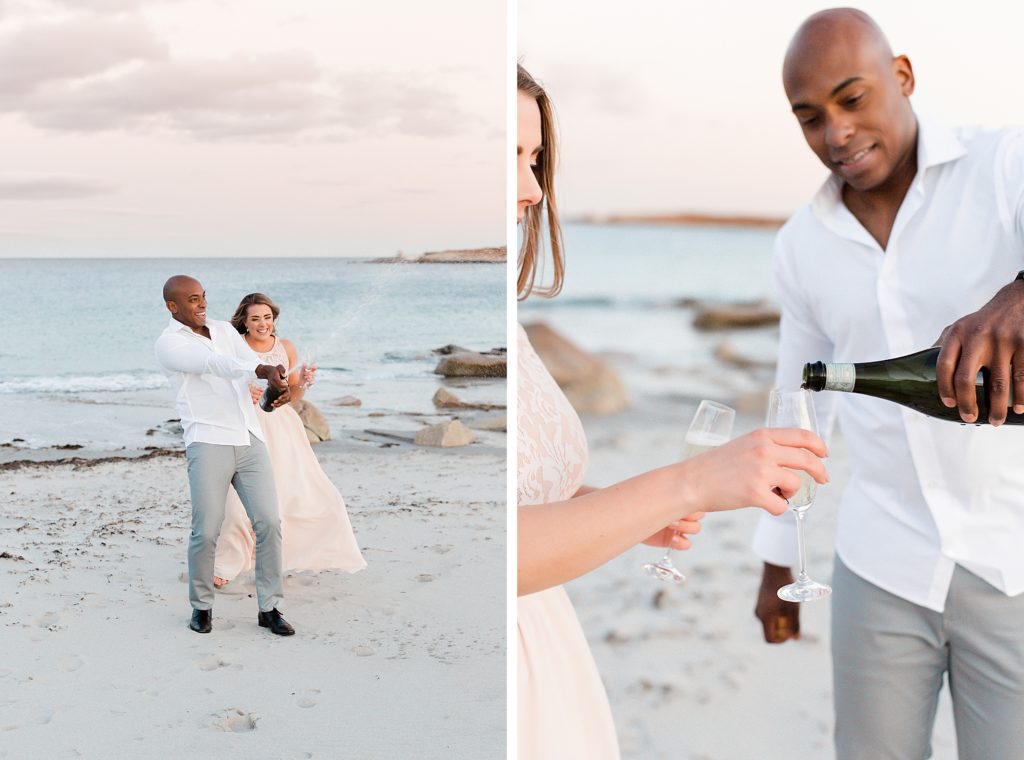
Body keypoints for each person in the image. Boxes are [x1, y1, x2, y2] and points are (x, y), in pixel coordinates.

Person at [516, 65, 830, 759]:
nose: (533, 189)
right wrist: (688, 484)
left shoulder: (510, 323)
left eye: (535, 159)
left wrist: (626, 510)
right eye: (510, 158)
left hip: (548, 644)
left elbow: (526, 501)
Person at [752, 9, 1024, 759]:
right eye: (809, 118)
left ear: (901, 76)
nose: (835, 133)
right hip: (882, 561)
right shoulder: (801, 247)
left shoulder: (1002, 165)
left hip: (1014, 556)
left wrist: (1017, 296)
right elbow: (800, 403)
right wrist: (777, 558)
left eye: (852, 99)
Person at [154, 275, 296, 636]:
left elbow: (248, 361)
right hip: (208, 441)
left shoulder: (222, 329)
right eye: (191, 300)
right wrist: (260, 370)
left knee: (269, 522)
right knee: (206, 530)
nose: (201, 304)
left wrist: (275, 388)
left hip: (249, 439)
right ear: (172, 306)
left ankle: (269, 607)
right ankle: (201, 607)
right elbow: (218, 365)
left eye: (202, 297)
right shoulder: (169, 344)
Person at [213, 293, 366, 587]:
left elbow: (290, 396)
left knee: (297, 495)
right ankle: (226, 564)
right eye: (255, 318)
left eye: (267, 318)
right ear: (243, 321)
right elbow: (218, 386)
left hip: (283, 431)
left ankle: (277, 558)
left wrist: (304, 382)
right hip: (243, 427)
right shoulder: (234, 347)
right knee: (237, 500)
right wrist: (242, 393)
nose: (262, 324)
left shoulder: (286, 348)